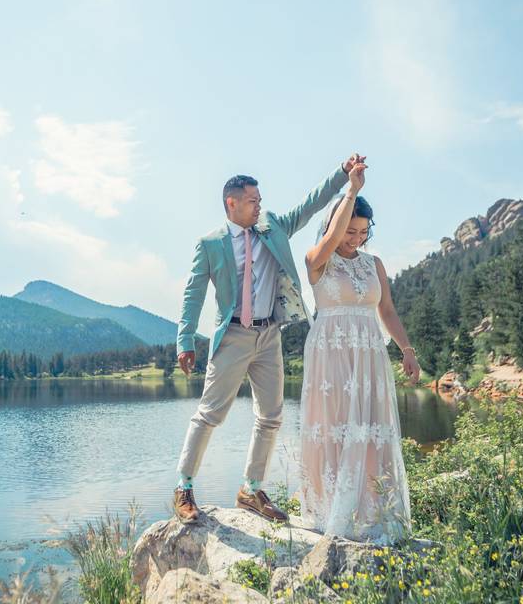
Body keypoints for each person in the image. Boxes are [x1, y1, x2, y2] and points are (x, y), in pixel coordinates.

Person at [173, 155, 362, 524]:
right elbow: (193, 293)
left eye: (260, 200)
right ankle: (184, 487)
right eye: (253, 201)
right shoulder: (210, 245)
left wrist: (341, 175)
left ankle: (251, 489)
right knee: (209, 414)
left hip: (269, 335)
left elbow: (311, 205)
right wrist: (184, 340)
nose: (260, 205)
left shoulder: (272, 226)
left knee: (271, 416)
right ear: (232, 203)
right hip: (233, 337)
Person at [295, 159, 421, 544]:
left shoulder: (374, 264)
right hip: (331, 354)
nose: (355, 239)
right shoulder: (318, 260)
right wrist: (350, 190)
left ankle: (373, 510)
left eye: (362, 232)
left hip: (368, 354)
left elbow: (387, 310)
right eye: (349, 230)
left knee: (370, 433)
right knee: (333, 429)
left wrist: (407, 349)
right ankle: (331, 511)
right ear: (336, 226)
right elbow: (331, 241)